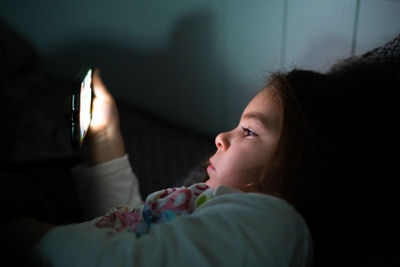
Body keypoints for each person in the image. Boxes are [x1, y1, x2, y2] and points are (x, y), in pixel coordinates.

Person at [3, 67, 315, 267]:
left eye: (249, 131)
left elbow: (129, 260)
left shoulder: (273, 221)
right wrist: (105, 135)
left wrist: (30, 235)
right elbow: (131, 228)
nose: (221, 137)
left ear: (295, 170)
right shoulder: (218, 211)